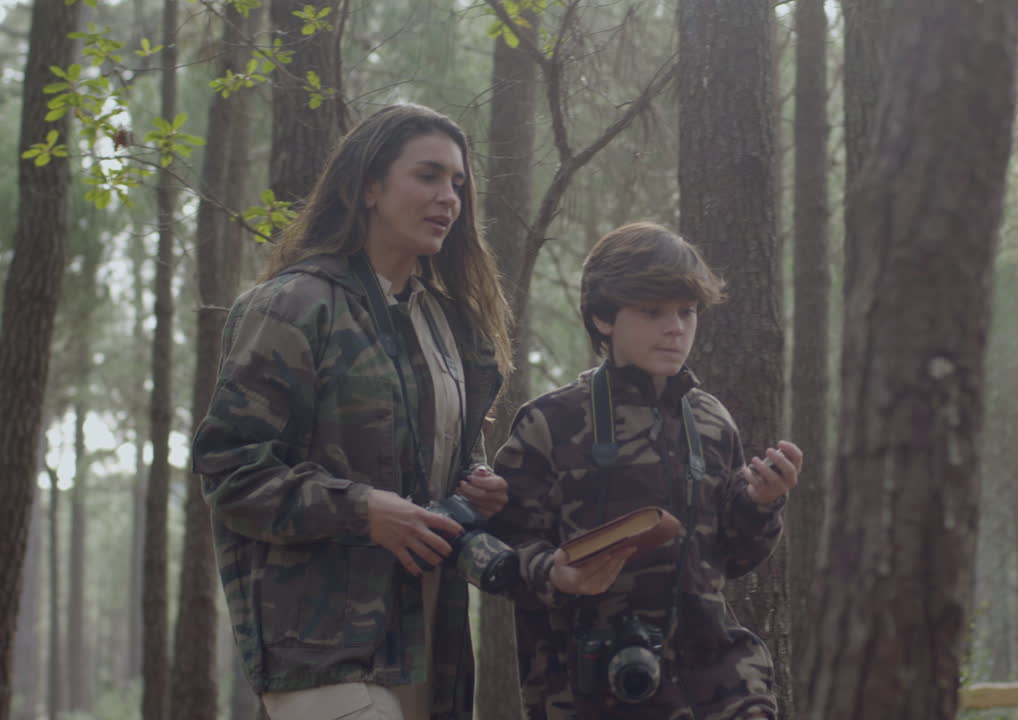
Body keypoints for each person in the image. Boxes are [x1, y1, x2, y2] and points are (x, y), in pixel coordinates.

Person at [192, 103, 513, 720]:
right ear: (369, 186)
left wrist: (477, 489)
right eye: (427, 176)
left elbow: (448, 460)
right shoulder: (293, 304)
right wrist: (362, 510)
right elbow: (231, 470)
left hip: (432, 638)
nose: (449, 198)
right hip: (323, 645)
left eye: (458, 183)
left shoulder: (450, 326)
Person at [488, 222, 803, 720]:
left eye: (687, 311)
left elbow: (734, 558)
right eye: (652, 311)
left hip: (722, 685)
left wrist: (763, 503)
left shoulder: (712, 421)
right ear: (603, 318)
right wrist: (555, 573)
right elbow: (498, 548)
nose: (675, 327)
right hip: (596, 688)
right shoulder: (551, 422)